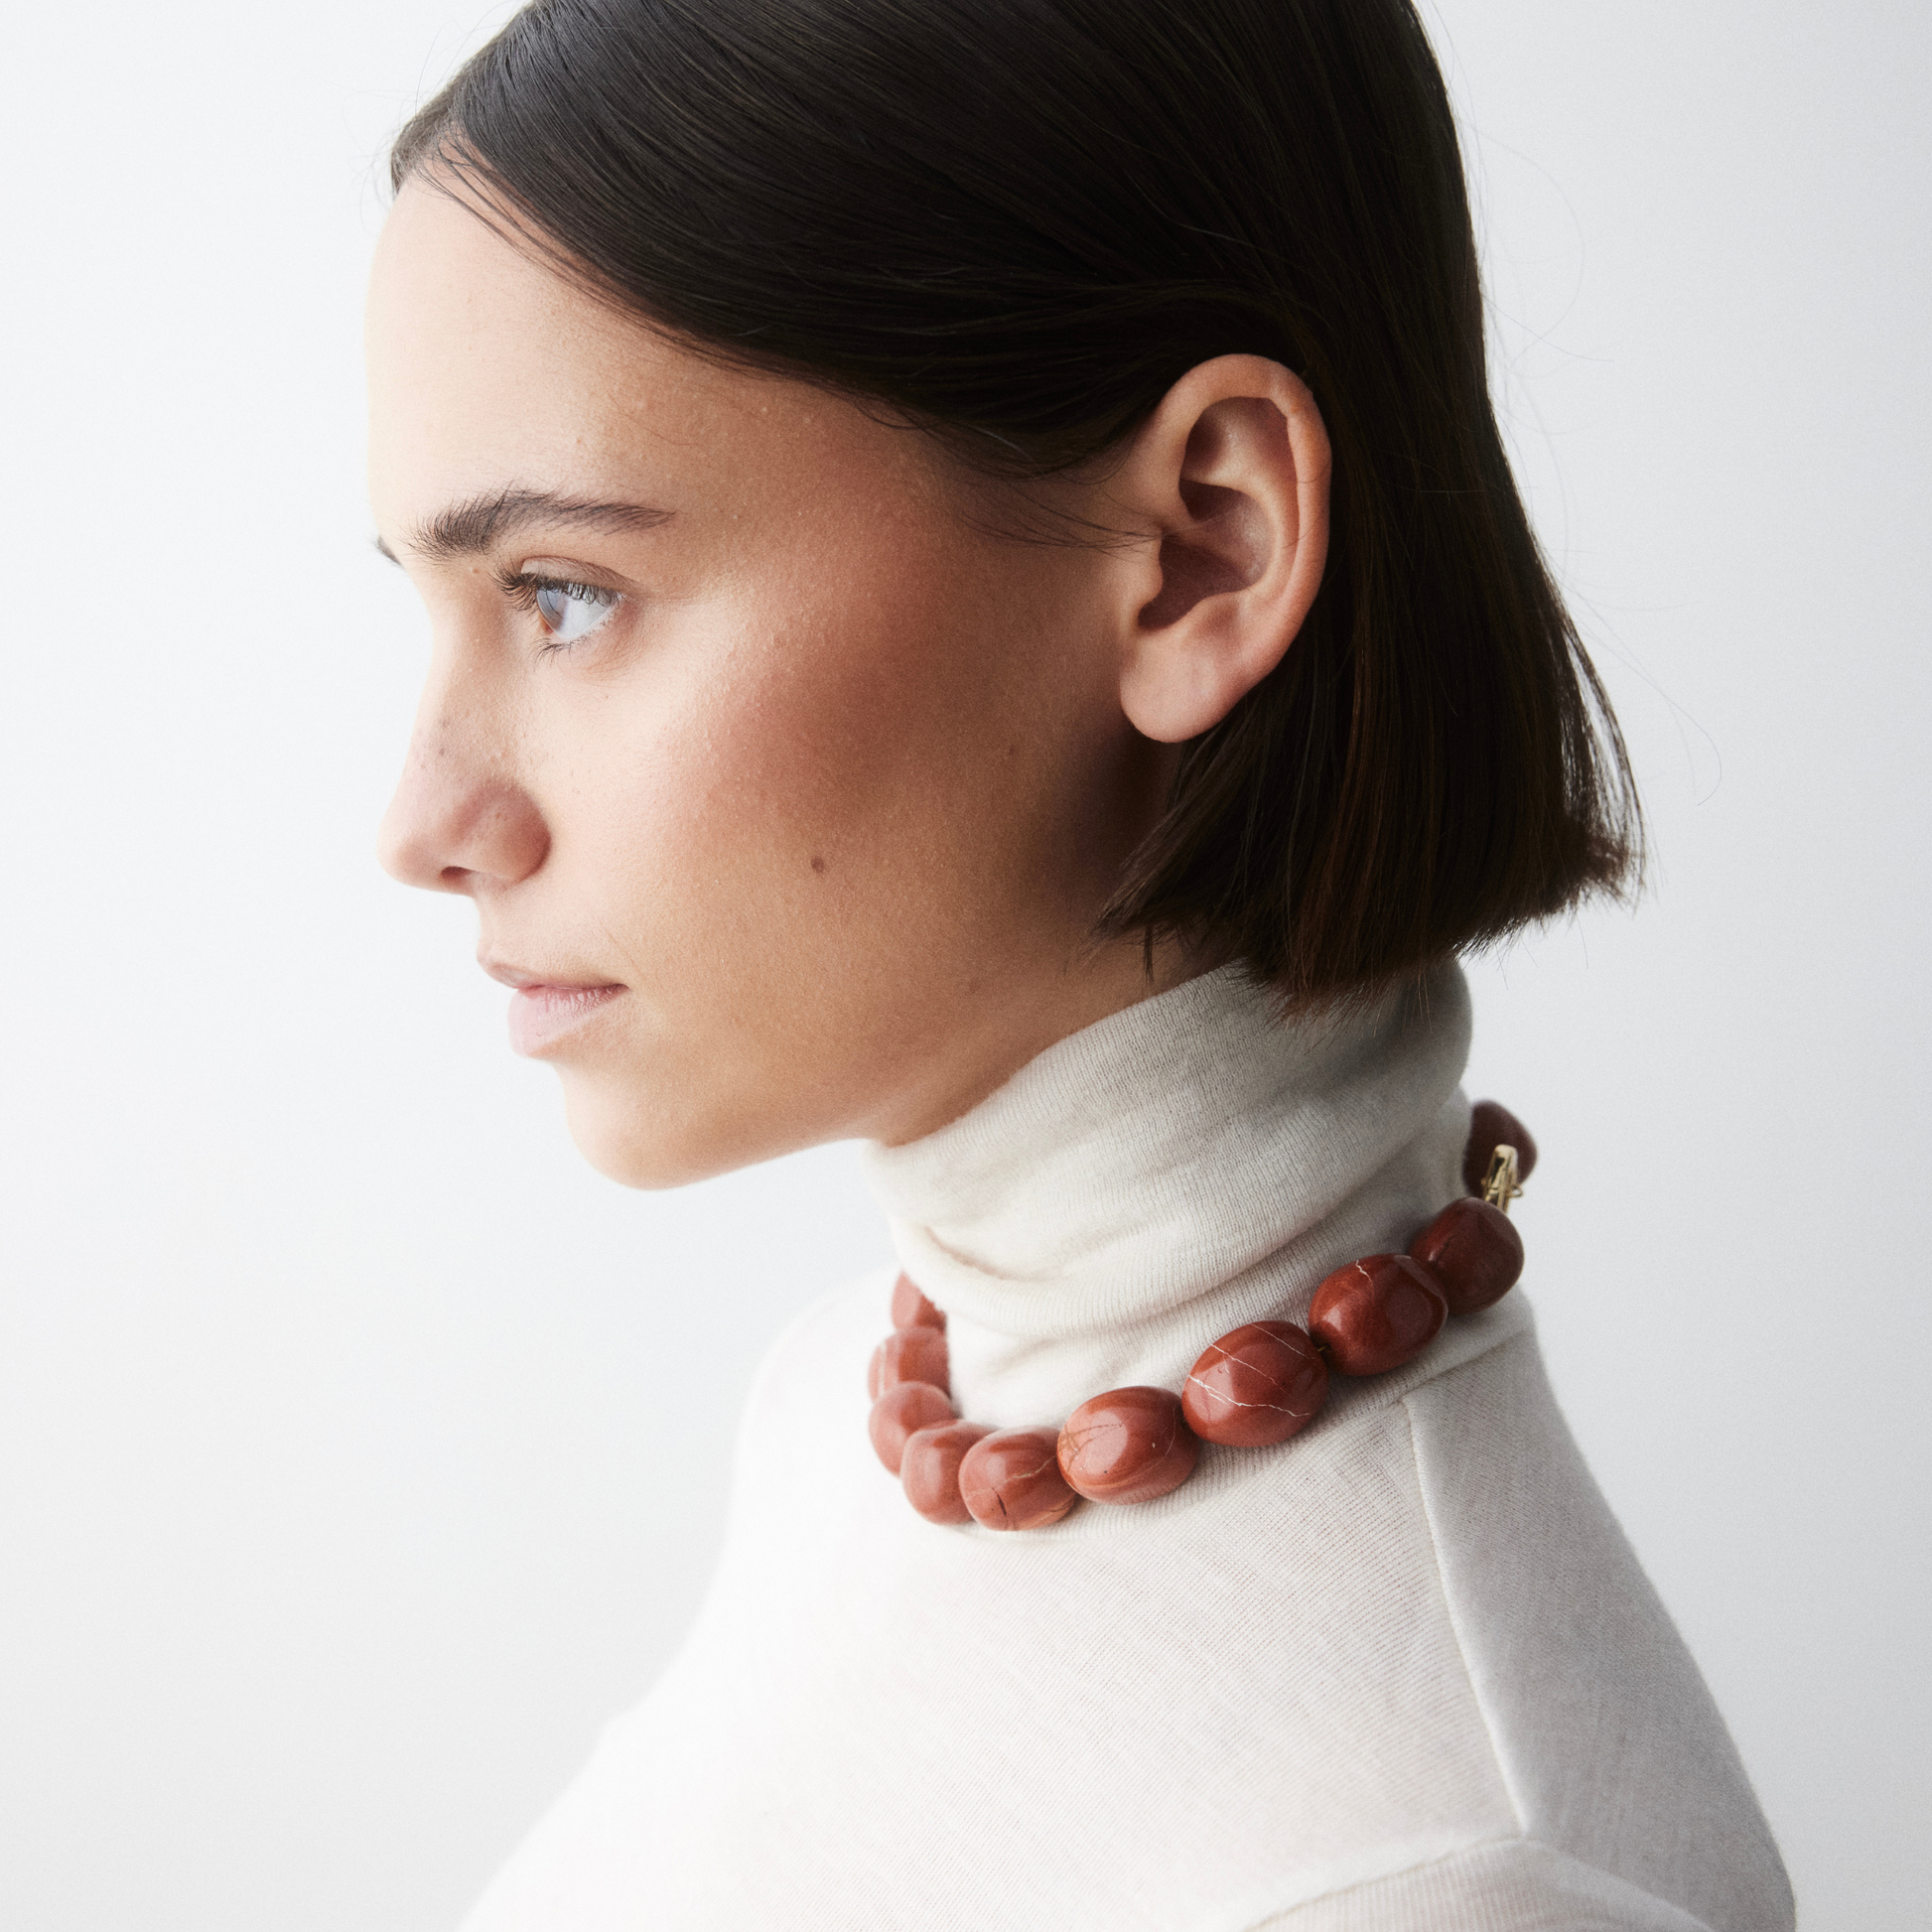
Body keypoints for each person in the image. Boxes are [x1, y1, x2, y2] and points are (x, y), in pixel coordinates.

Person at [366, 1, 1793, 1924]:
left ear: (1206, 547)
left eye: (564, 592)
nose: (424, 816)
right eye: (436, 603)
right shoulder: (859, 1411)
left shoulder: (1442, 1878)